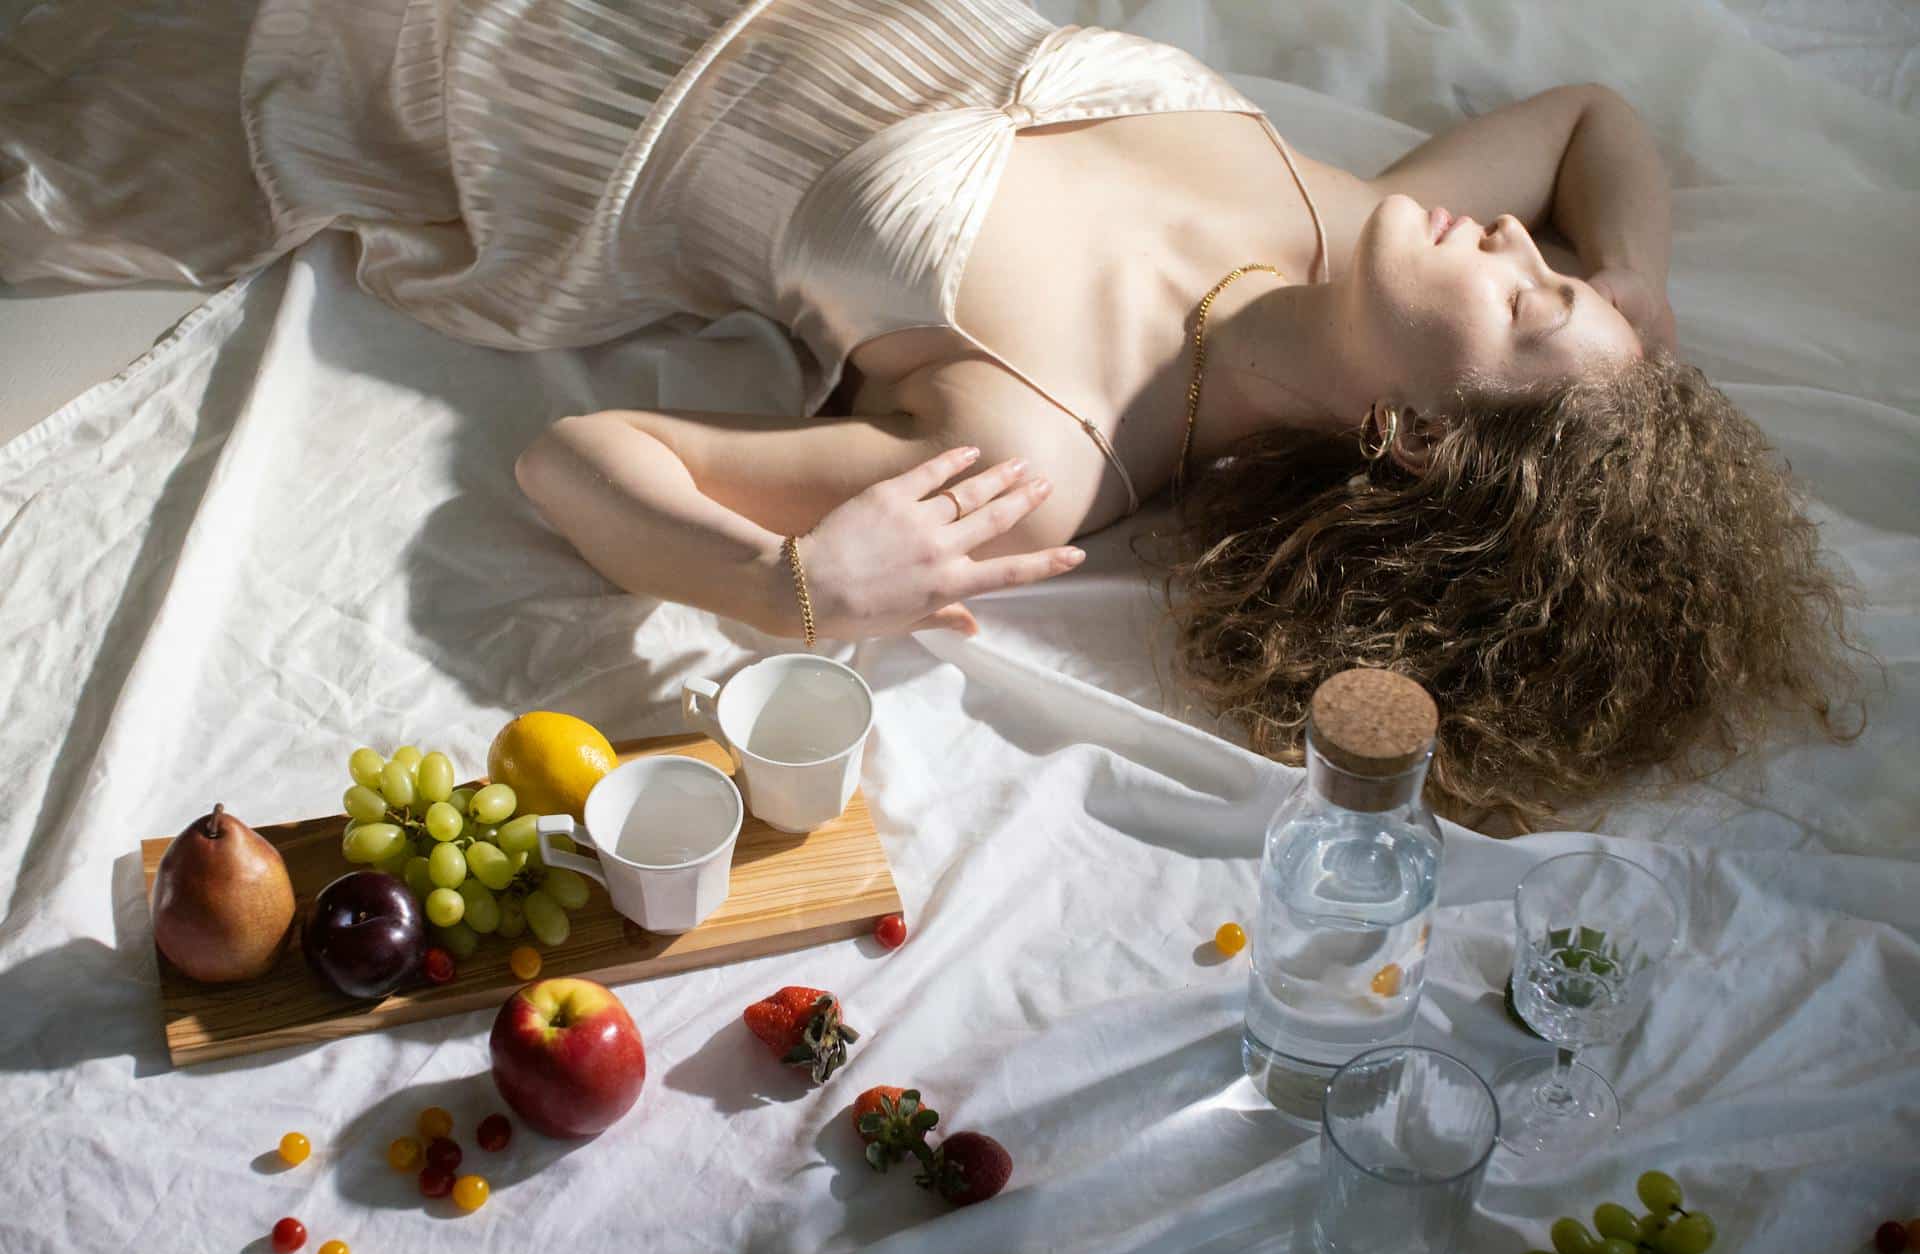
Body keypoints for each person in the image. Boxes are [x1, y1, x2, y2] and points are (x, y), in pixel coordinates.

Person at [2, 0, 1856, 826]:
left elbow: (575, 461)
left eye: (1528, 303)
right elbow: (1596, 115)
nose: (1524, 243)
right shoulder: (1355, 223)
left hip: (500, 55)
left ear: (1424, 445)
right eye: (1552, 267)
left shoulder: (1046, 444)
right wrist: (1632, 309)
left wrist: (788, 590)